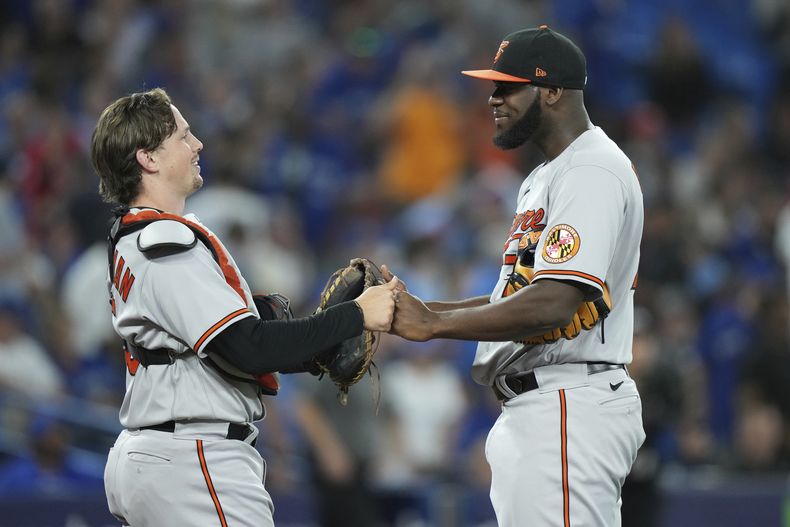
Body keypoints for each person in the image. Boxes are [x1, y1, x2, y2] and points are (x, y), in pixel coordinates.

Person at [90, 87, 399, 527]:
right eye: (183, 136)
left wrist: (315, 346)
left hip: (169, 453)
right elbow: (245, 347)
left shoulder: (144, 237)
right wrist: (354, 316)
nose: (197, 145)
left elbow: (230, 347)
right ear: (149, 159)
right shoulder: (164, 242)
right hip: (193, 458)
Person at [387, 26, 645, 526]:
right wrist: (420, 310)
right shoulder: (548, 175)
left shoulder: (591, 170)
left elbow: (554, 302)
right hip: (545, 409)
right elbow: (520, 293)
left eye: (508, 86)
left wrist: (436, 327)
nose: (493, 98)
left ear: (552, 91)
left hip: (567, 403)